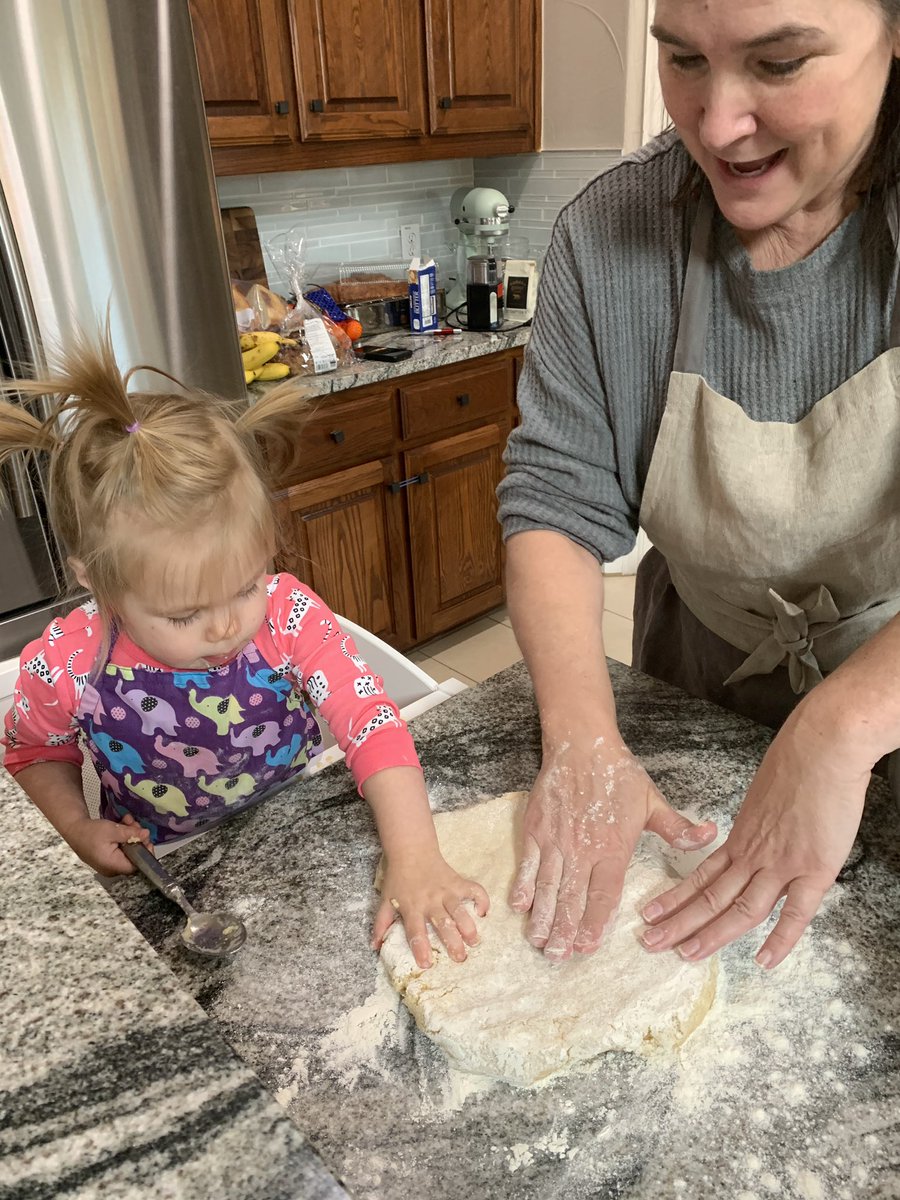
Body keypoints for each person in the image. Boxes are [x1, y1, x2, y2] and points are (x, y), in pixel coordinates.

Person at [498, 0, 900, 971]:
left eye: (780, 63)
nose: (717, 123)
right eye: (682, 59)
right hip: (695, 687)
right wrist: (587, 743)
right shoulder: (609, 236)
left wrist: (842, 726)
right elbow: (554, 502)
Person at [0, 331, 487, 969]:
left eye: (243, 586)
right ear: (96, 582)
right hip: (170, 865)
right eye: (184, 613)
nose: (226, 627)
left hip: (300, 817)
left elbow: (370, 722)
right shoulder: (69, 660)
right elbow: (35, 752)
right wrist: (78, 828)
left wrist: (417, 855)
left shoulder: (287, 615)